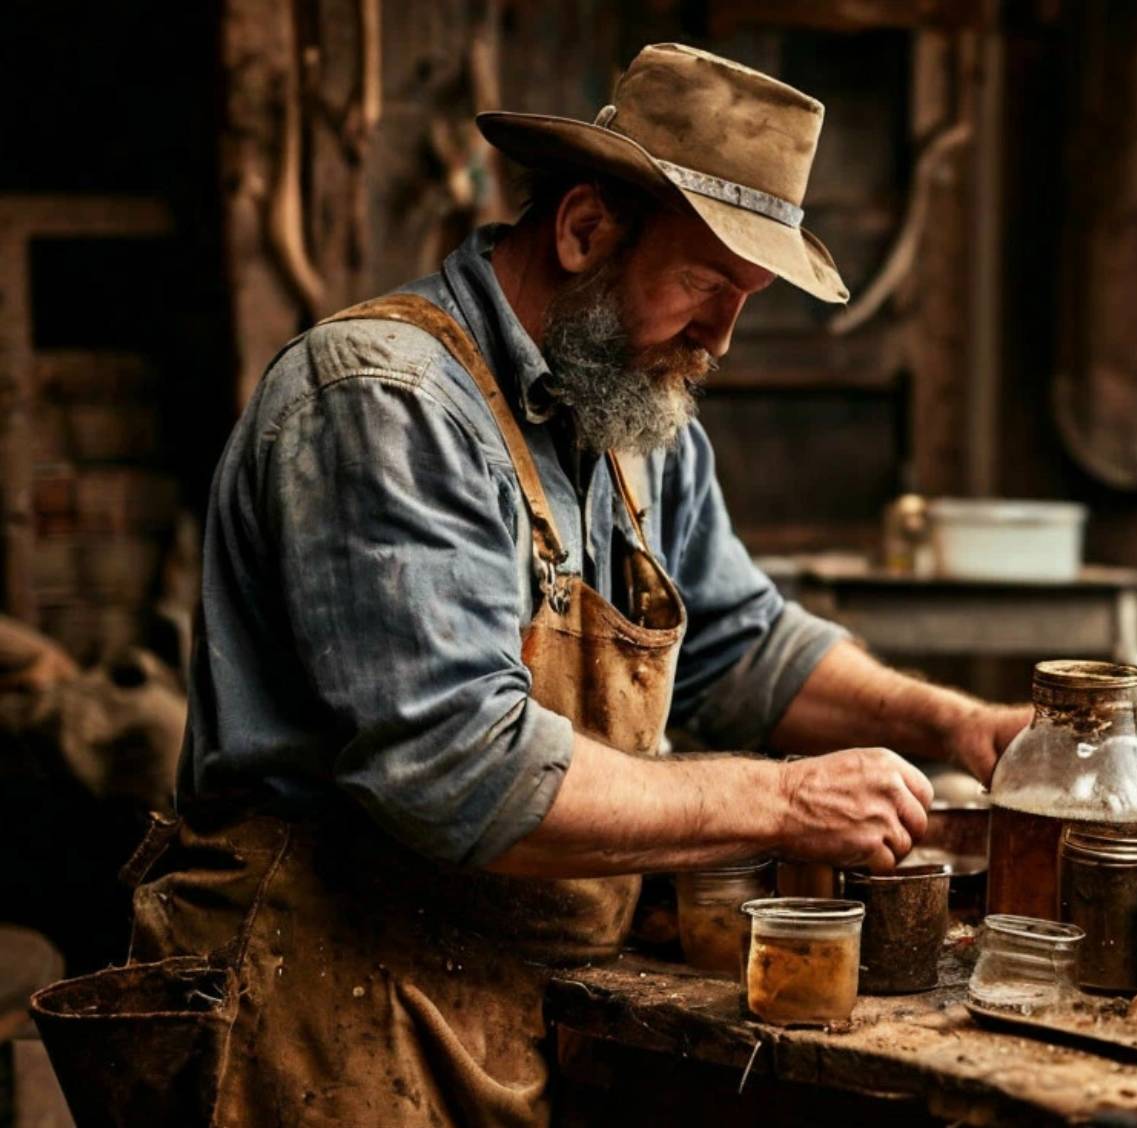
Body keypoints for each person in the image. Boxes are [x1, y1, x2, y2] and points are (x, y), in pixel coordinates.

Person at [32, 43, 1028, 1125]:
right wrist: (785, 800)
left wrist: (958, 724)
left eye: (745, 299)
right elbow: (464, 771)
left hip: (512, 996)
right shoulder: (385, 402)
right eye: (705, 284)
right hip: (318, 998)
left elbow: (743, 644)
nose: (721, 340)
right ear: (586, 229)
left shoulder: (639, 414)